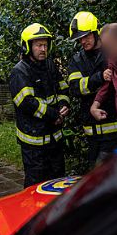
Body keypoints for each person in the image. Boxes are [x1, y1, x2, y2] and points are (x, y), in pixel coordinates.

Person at [9, 23, 70, 187]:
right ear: (27, 46)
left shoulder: (50, 65)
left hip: (54, 140)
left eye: (45, 45)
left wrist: (64, 104)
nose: (43, 49)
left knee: (58, 183)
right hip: (33, 144)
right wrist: (54, 115)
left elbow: (63, 87)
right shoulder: (19, 72)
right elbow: (27, 103)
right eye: (38, 45)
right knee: (35, 187)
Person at [67, 11, 117, 167]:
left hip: (116, 130)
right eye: (79, 39)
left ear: (95, 32)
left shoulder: (112, 52)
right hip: (91, 133)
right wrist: (98, 78)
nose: (83, 41)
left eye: (86, 36)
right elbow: (74, 88)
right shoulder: (77, 60)